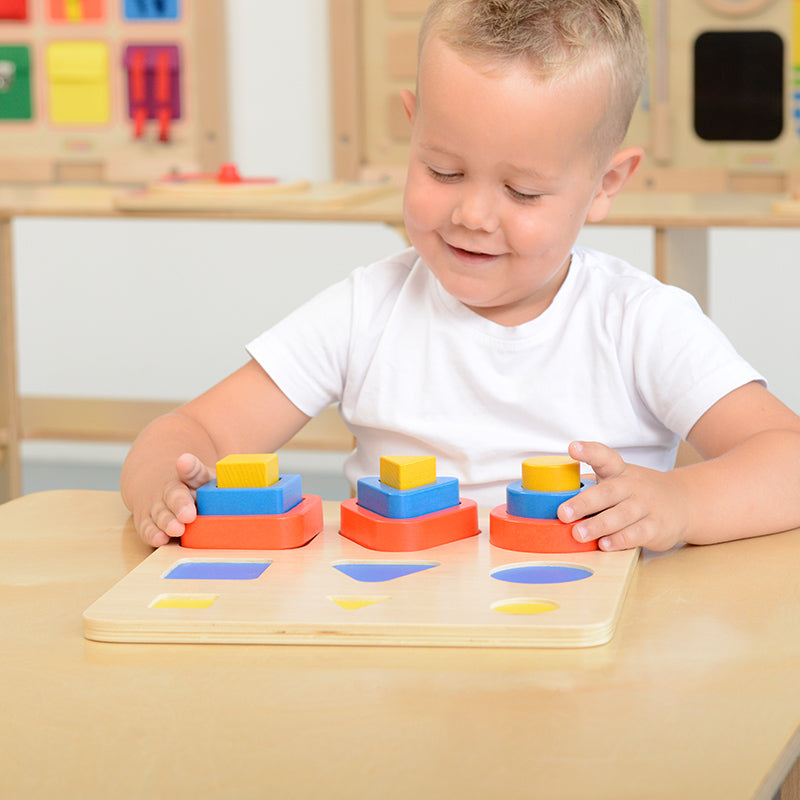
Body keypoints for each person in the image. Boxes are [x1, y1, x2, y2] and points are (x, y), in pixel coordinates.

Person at [121, 0, 800, 552]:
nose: (473, 214)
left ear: (605, 184)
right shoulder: (367, 309)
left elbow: (788, 460)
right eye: (442, 171)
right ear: (412, 130)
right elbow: (191, 433)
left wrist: (680, 501)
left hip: (588, 660)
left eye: (524, 192)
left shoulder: (639, 321)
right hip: (404, 648)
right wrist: (164, 483)